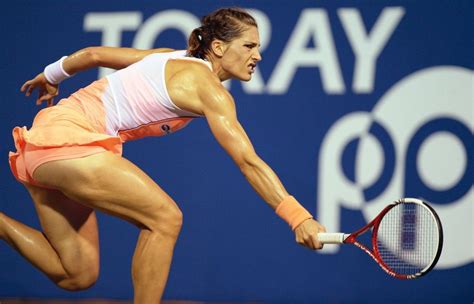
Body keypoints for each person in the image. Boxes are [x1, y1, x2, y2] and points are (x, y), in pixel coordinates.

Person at [1, 7, 326, 303]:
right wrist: (298, 218)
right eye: (249, 46)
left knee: (77, 275)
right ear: (218, 48)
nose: (258, 55)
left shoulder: (166, 56)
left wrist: (52, 75)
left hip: (42, 148)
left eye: (258, 47)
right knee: (165, 218)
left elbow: (93, 53)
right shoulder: (209, 89)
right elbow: (247, 161)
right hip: (68, 142)